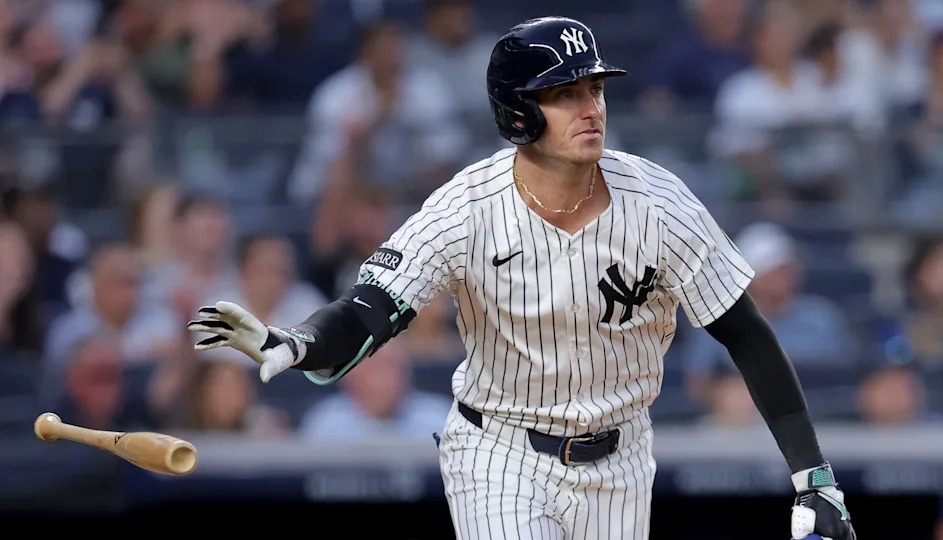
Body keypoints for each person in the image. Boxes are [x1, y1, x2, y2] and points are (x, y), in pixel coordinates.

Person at [187, 16, 856, 540]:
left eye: (594, 87)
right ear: (517, 112)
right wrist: (298, 342)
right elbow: (370, 310)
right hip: (500, 450)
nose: (591, 106)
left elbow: (746, 333)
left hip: (621, 458)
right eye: (565, 94)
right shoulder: (466, 206)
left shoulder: (660, 201)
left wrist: (813, 476)